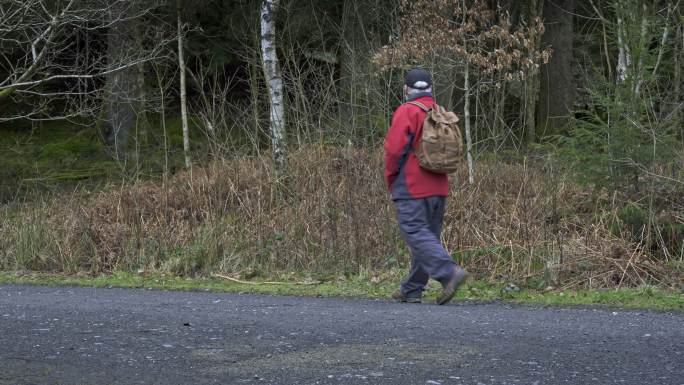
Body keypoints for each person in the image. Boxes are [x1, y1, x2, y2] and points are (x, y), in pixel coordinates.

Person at [384, 68, 468, 305]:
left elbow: (393, 150)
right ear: (431, 89)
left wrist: (391, 177)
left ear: (406, 90)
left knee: (415, 232)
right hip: (439, 186)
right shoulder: (440, 112)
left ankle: (449, 272)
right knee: (427, 236)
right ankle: (412, 288)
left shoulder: (407, 111)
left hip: (412, 186)